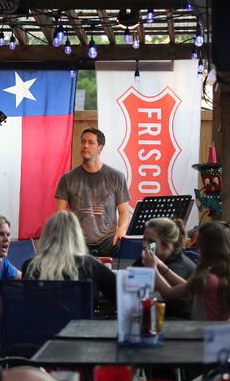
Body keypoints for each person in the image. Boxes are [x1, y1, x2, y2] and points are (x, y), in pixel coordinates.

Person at [55, 127, 130, 257]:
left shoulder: (117, 177)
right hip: (78, 241)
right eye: (83, 141)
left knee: (131, 251)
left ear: (100, 148)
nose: (85, 145)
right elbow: (60, 215)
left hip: (109, 241)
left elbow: (124, 211)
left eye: (90, 142)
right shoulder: (67, 178)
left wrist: (122, 229)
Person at [150, 221, 230, 321]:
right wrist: (162, 267)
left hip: (203, 333)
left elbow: (168, 293)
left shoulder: (204, 279)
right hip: (220, 332)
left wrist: (152, 267)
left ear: (207, 249)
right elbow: (188, 286)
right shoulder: (224, 274)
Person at [21, 211, 116, 302]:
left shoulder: (30, 266)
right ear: (77, 236)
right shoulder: (90, 265)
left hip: (40, 318)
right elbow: (119, 295)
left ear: (46, 235)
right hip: (80, 318)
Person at [132, 217, 195, 317]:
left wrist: (152, 269)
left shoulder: (178, 266)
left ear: (166, 244)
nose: (145, 245)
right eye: (144, 239)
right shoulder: (149, 257)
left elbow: (168, 296)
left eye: (151, 241)